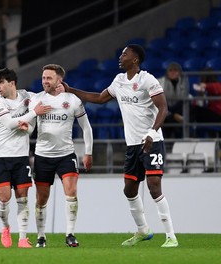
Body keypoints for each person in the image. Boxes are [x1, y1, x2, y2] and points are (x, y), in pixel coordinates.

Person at [63, 44, 178, 248]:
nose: (120, 57)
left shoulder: (147, 79)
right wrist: (71, 90)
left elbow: (163, 108)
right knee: (129, 190)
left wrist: (152, 133)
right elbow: (99, 98)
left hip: (153, 142)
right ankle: (143, 230)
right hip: (133, 145)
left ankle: (171, 236)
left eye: (125, 54)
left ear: (135, 60)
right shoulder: (119, 81)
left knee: (153, 186)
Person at [25, 64, 93, 248]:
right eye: (43, 78)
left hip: (66, 155)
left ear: (59, 80)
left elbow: (86, 127)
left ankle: (70, 234)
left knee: (71, 192)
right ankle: (41, 236)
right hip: (42, 156)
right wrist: (27, 127)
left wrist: (88, 152)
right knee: (41, 198)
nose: (45, 81)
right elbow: (31, 127)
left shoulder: (72, 100)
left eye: (49, 78)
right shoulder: (37, 100)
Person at [0, 68, 52, 248]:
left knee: (23, 197)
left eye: (1, 82)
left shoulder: (27, 96)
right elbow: (9, 124)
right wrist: (33, 113)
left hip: (21, 156)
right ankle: (5, 227)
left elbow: (31, 125)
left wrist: (61, 88)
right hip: (1, 155)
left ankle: (23, 238)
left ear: (12, 83)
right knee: (4, 198)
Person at [157, 62, 190, 138]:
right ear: (167, 72)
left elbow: (184, 98)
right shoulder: (160, 82)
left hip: (178, 109)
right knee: (169, 119)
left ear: (179, 72)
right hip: (164, 109)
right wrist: (172, 115)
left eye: (175, 70)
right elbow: (159, 102)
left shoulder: (184, 82)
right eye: (170, 70)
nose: (173, 72)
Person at [191, 68, 221, 137]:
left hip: (218, 114)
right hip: (212, 114)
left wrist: (205, 86)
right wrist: (200, 94)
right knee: (195, 109)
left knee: (196, 110)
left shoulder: (216, 85)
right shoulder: (205, 90)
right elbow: (198, 103)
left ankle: (187, 125)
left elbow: (217, 88)